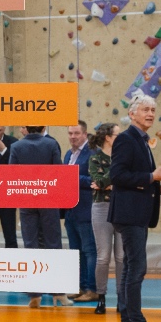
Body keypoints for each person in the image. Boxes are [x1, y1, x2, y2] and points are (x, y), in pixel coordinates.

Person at [109, 94, 161, 322]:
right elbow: (118, 175)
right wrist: (150, 179)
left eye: (153, 110)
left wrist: (157, 186)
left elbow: (138, 174)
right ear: (132, 113)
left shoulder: (142, 140)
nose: (150, 114)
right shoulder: (126, 139)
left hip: (136, 213)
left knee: (129, 271)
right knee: (137, 269)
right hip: (129, 213)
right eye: (145, 109)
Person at [9, 126, 68, 307]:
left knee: (30, 244)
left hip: (27, 199)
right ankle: (58, 293)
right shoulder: (51, 144)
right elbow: (59, 172)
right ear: (43, 127)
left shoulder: (16, 147)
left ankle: (34, 294)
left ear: (25, 128)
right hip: (48, 199)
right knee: (53, 244)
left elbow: (11, 173)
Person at [87, 123, 124, 316]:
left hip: (123, 207)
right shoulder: (95, 158)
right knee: (103, 257)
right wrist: (116, 178)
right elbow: (98, 181)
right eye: (117, 134)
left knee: (121, 257)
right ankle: (101, 296)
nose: (121, 137)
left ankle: (121, 298)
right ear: (108, 137)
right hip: (101, 207)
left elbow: (125, 181)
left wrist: (112, 184)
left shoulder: (122, 156)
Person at [64, 121, 97, 303]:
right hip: (70, 210)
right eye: (70, 133)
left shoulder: (92, 153)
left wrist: (71, 176)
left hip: (86, 209)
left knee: (89, 250)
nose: (73, 137)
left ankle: (92, 288)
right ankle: (80, 286)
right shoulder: (69, 154)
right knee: (76, 251)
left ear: (85, 134)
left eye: (76, 133)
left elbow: (94, 178)